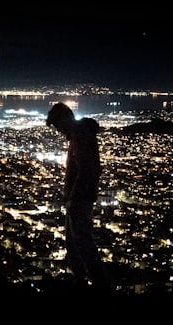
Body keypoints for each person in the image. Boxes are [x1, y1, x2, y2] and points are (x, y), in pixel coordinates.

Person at [46, 102, 109, 288]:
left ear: (65, 119)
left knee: (82, 242)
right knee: (73, 241)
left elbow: (87, 170)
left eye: (58, 125)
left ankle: (99, 284)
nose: (58, 131)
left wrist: (74, 197)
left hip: (80, 198)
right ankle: (81, 280)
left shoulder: (81, 136)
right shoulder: (77, 135)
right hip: (77, 197)